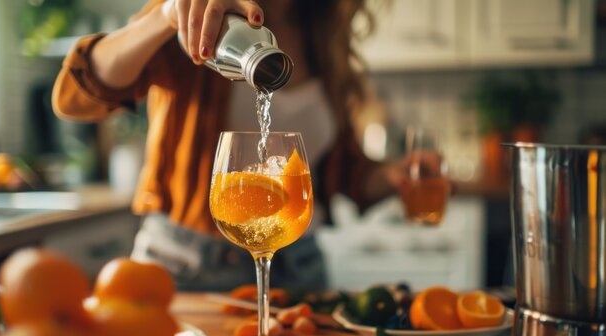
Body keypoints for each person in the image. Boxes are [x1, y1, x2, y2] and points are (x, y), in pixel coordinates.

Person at [52, 0, 414, 291]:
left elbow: (342, 172)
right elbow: (74, 97)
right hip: (187, 269)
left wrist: (396, 176)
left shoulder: (323, 36)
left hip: (300, 271)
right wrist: (164, 16)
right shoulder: (201, 15)